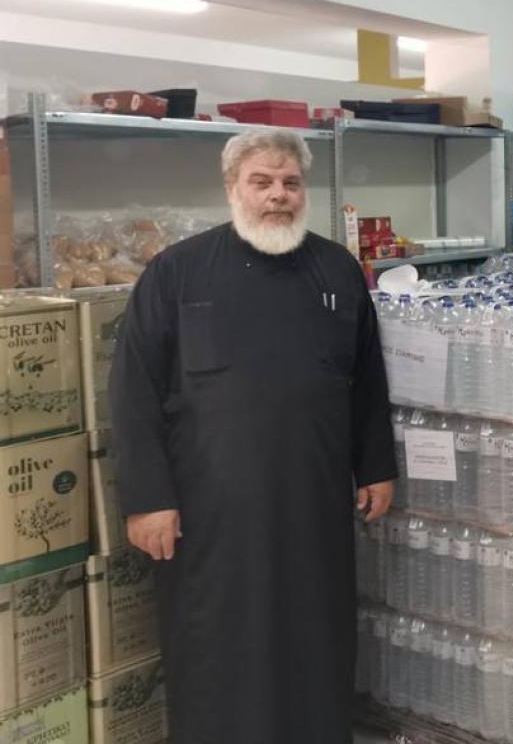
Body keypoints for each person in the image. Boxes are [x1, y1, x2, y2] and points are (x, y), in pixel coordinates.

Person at [109, 130, 397, 744]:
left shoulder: (338, 270)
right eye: (261, 182)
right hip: (211, 513)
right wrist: (147, 499)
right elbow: (133, 393)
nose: (278, 196)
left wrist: (376, 465)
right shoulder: (176, 272)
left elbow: (367, 378)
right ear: (232, 188)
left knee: (315, 633)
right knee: (216, 642)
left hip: (314, 501)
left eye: (291, 183)